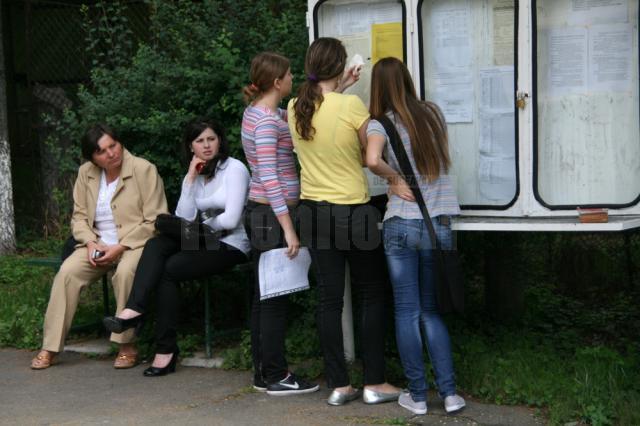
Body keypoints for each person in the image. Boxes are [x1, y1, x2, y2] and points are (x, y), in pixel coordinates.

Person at [288, 37, 401, 406]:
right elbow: (369, 148)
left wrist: (340, 85)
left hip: (313, 213)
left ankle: (339, 385)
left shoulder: (294, 107)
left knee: (329, 300)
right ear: (340, 67)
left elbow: (324, 109)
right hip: (354, 212)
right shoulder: (352, 106)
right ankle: (374, 382)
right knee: (371, 293)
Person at [103, 118, 250, 377]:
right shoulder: (197, 174)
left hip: (231, 243)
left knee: (167, 261)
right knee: (159, 244)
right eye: (199, 141)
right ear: (191, 146)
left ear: (220, 141)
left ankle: (162, 347)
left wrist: (202, 227)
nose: (206, 146)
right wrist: (191, 178)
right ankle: (137, 312)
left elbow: (231, 219)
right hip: (204, 238)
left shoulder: (234, 169)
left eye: (211, 139)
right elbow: (184, 215)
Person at [365, 57, 466, 415]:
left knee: (407, 312)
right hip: (438, 224)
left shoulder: (380, 123)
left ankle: (419, 397)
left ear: (377, 88)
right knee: (430, 310)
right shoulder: (432, 114)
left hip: (403, 224)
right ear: (406, 80)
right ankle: (451, 394)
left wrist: (393, 180)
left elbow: (372, 158)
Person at [31, 124, 168, 370]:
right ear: (93, 158)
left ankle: (126, 345)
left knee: (125, 273)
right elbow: (79, 217)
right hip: (96, 243)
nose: (111, 154)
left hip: (133, 243)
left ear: (119, 142)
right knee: (67, 273)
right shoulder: (87, 173)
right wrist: (91, 242)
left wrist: (120, 247)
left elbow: (155, 220)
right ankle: (50, 346)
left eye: (113, 146)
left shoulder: (143, 169)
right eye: (102, 151)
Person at [240, 52, 319, 395]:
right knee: (274, 300)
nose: (292, 79)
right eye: (288, 75)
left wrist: (341, 84)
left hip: (264, 214)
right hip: (271, 217)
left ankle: (264, 371)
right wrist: (287, 228)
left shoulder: (259, 113)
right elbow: (270, 177)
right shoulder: (266, 122)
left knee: (264, 297)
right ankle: (276, 375)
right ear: (277, 82)